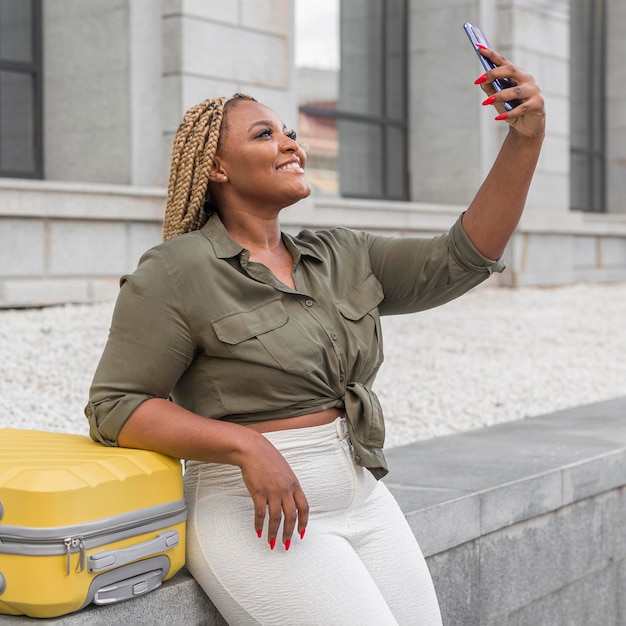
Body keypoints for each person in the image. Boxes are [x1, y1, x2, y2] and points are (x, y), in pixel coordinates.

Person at [86, 43, 544, 625]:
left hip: (363, 495)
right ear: (216, 167)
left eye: (290, 132)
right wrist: (246, 445)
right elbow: (115, 407)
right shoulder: (177, 270)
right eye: (264, 135)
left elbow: (461, 258)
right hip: (255, 514)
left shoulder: (343, 254)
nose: (290, 143)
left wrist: (524, 139)